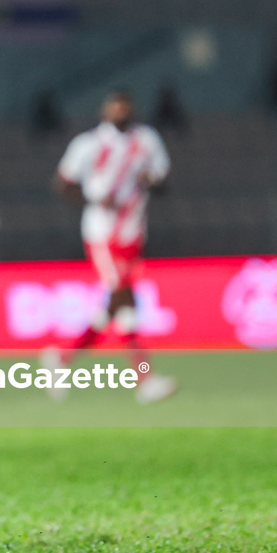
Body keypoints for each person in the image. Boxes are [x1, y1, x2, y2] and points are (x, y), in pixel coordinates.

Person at [45, 90, 176, 404]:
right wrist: (92, 201)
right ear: (105, 110)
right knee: (124, 298)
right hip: (101, 233)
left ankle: (61, 359)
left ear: (132, 109)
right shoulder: (88, 144)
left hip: (133, 232)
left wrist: (150, 181)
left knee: (116, 305)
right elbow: (62, 183)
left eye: (125, 106)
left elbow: (163, 183)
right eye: (114, 106)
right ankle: (144, 378)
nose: (119, 111)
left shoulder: (146, 140)